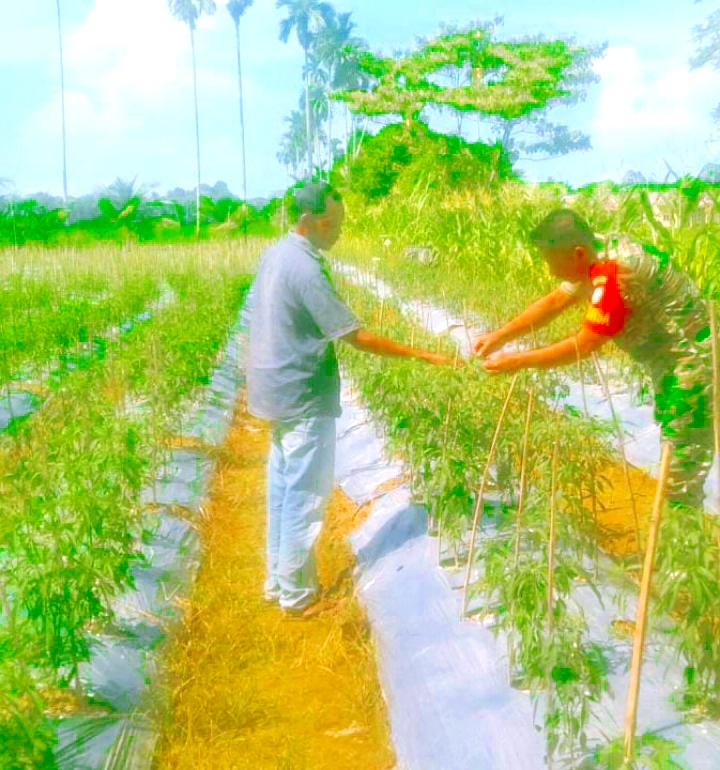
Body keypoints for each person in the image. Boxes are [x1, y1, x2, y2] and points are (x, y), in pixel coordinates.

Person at [241, 181, 456, 617]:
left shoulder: (276, 254)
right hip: (301, 394)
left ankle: (278, 583)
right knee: (303, 496)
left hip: (275, 390)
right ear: (308, 221)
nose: (336, 230)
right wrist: (422, 353)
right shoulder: (304, 267)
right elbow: (353, 335)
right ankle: (297, 597)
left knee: (283, 488)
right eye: (331, 222)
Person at [473, 208, 714, 512]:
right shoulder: (595, 252)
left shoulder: (615, 275)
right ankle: (676, 532)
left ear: (577, 253)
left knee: (681, 461)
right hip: (671, 359)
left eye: (552, 263)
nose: (550, 272)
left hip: (691, 361)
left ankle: (681, 543)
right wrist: (499, 336)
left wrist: (517, 361)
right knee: (674, 441)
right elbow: (556, 300)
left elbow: (584, 344)